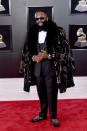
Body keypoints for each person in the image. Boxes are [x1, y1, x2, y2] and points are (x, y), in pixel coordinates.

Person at [20, 10, 75, 127]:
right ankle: (42, 114)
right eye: (37, 19)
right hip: (37, 68)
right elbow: (26, 50)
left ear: (47, 18)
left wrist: (49, 55)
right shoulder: (31, 32)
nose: (39, 20)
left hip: (51, 68)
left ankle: (53, 116)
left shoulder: (58, 32)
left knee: (51, 93)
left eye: (41, 18)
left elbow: (65, 52)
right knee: (41, 93)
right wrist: (33, 56)